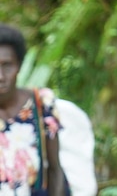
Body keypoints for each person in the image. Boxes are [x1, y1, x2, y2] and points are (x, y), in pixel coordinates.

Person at [0, 23, 68, 196]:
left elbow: (55, 169)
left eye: (7, 65)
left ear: (19, 66)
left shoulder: (41, 103)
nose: (1, 76)